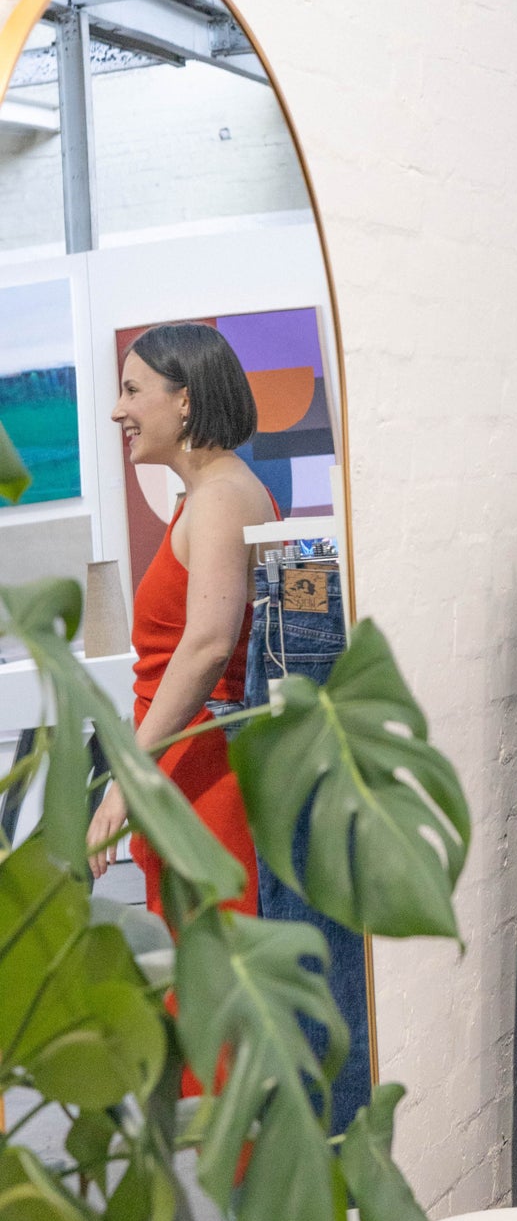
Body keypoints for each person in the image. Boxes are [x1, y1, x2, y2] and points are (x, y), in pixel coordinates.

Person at [87, 322, 277, 915]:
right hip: (188, 771)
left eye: (132, 390)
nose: (119, 411)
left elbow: (206, 646)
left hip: (208, 775)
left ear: (185, 398)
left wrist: (129, 779)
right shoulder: (207, 496)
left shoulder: (221, 496)